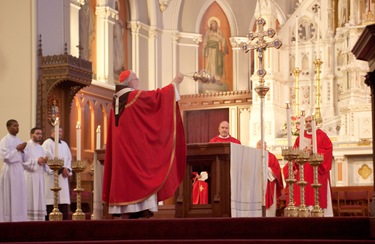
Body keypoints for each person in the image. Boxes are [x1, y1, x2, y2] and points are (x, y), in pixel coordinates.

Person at [102, 70, 186, 219]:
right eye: (136, 79)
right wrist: (175, 83)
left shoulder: (115, 100)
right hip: (135, 155)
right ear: (129, 82)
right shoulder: (134, 96)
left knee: (125, 188)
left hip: (121, 155)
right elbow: (157, 98)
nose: (138, 81)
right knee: (141, 183)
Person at [283, 115, 333, 217]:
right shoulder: (300, 138)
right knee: (303, 191)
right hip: (303, 170)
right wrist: (294, 167)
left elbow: (328, 151)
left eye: (310, 121)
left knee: (316, 193)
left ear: (316, 123)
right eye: (306, 121)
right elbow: (294, 153)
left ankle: (318, 212)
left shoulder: (322, 135)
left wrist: (314, 151)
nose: (308, 123)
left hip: (317, 170)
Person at [0, 119, 28, 222]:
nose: (17, 128)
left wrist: (23, 150)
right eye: (14, 126)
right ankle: (8, 219)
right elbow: (5, 157)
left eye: (18, 126)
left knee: (19, 196)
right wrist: (17, 149)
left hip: (19, 171)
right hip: (10, 170)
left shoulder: (19, 140)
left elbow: (25, 158)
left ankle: (19, 218)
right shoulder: (4, 140)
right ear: (8, 127)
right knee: (10, 195)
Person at [42, 127, 72, 220]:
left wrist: (67, 169)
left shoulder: (64, 144)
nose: (59, 133)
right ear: (52, 133)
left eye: (61, 131)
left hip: (63, 177)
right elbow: (47, 158)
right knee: (51, 198)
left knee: (62, 199)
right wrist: (61, 169)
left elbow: (68, 158)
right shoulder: (47, 143)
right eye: (57, 131)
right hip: (52, 176)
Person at [23, 127, 48, 221]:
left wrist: (44, 161)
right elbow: (23, 162)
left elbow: (43, 165)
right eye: (37, 133)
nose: (39, 136)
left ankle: (38, 220)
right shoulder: (26, 146)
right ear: (31, 134)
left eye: (41, 134)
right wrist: (37, 161)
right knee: (29, 199)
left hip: (39, 177)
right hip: (29, 177)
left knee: (39, 199)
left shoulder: (41, 148)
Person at [256, 140, 283, 217]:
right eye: (258, 144)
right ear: (256, 146)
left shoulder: (272, 156)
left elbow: (277, 169)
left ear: (266, 146)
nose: (260, 146)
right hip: (257, 184)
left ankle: (270, 217)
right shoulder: (253, 156)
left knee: (269, 211)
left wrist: (266, 170)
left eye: (262, 144)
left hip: (269, 182)